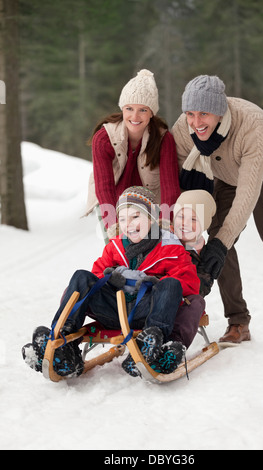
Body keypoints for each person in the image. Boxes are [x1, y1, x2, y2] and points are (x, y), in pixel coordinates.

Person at [172, 74, 263, 343]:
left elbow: (247, 195)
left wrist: (221, 244)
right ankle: (239, 321)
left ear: (220, 110)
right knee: (219, 236)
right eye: (190, 114)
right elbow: (176, 178)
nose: (195, 123)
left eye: (204, 113)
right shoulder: (184, 128)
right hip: (225, 175)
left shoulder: (250, 125)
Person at [22, 186, 200, 378]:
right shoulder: (114, 247)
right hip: (114, 309)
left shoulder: (170, 248)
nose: (128, 224)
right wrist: (109, 278)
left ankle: (149, 343)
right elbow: (96, 274)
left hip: (148, 312)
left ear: (151, 218)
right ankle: (63, 343)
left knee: (172, 284)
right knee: (82, 276)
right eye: (122, 219)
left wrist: (156, 282)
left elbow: (190, 284)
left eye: (135, 217)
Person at [85, 69, 181, 228]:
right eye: (129, 109)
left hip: (150, 202)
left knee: (153, 248)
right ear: (122, 109)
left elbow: (170, 187)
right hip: (111, 201)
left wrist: (165, 223)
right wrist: (113, 226)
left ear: (152, 113)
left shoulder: (164, 139)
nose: (135, 117)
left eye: (142, 110)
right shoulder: (104, 138)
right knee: (118, 249)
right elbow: (104, 186)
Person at [169, 189, 216, 349]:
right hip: (155, 299)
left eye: (193, 219)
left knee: (197, 302)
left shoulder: (205, 254)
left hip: (184, 303)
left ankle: (175, 346)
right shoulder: (164, 240)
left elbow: (202, 287)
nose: (185, 223)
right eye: (181, 217)